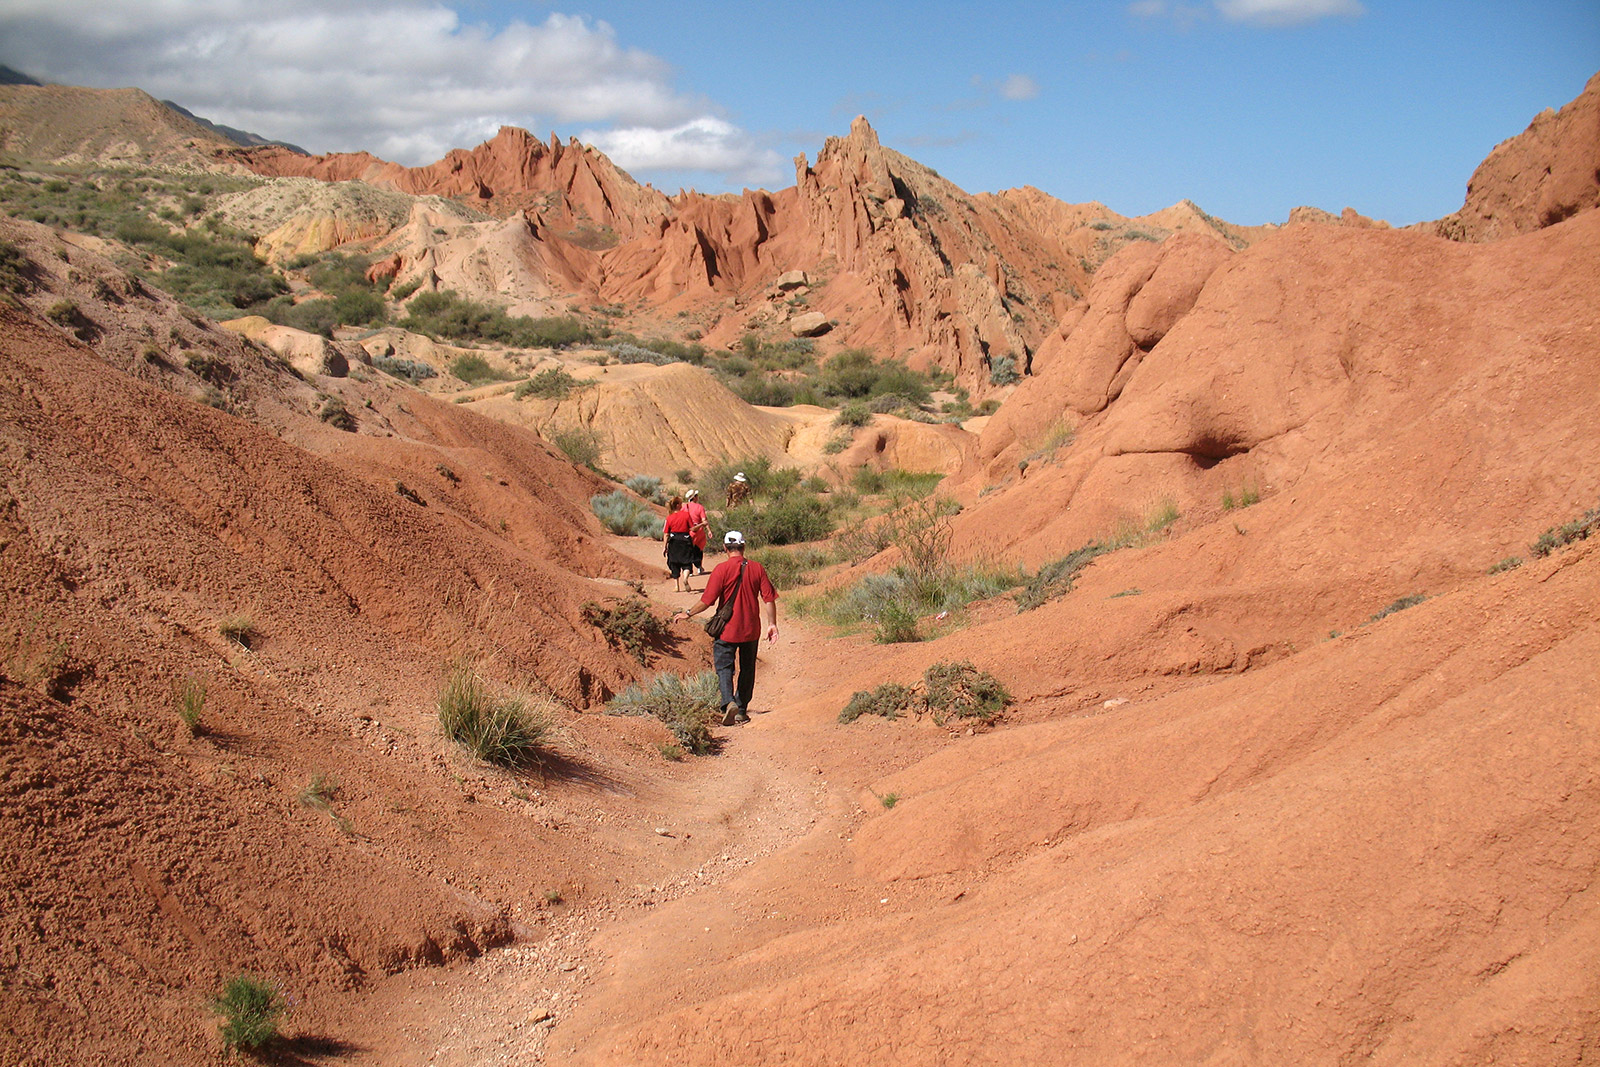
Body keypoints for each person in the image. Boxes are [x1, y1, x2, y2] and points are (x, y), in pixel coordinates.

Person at [672, 530, 777, 726]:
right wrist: (772, 624)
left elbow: (707, 601)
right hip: (751, 630)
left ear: (724, 548)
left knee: (724, 668)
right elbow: (769, 599)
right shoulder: (757, 568)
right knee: (747, 669)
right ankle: (741, 710)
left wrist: (688, 613)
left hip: (727, 629)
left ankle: (728, 702)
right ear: (743, 547)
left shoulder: (721, 570)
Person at [661, 495, 697, 593]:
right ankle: (685, 578)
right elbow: (692, 528)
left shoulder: (669, 518)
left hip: (674, 541)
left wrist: (665, 547)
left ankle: (676, 586)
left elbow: (666, 534)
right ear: (677, 505)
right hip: (685, 540)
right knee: (687, 562)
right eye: (681, 503)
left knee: (674, 563)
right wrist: (701, 525)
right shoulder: (686, 515)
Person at [683, 488, 710, 575]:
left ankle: (689, 570)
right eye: (696, 496)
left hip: (688, 532)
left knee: (688, 550)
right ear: (694, 497)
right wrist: (709, 530)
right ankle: (699, 567)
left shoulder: (684, 507)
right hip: (699, 532)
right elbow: (704, 520)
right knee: (698, 550)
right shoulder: (700, 507)